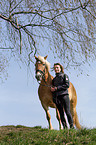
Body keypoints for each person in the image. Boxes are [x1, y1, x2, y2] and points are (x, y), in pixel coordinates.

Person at [51, 63, 74, 129]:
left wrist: (57, 88)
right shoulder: (54, 80)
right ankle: (65, 128)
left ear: (60, 68)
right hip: (57, 98)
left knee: (67, 111)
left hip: (64, 95)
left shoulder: (64, 76)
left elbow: (67, 85)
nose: (56, 69)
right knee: (61, 114)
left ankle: (72, 127)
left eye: (57, 67)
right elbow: (53, 89)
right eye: (55, 68)